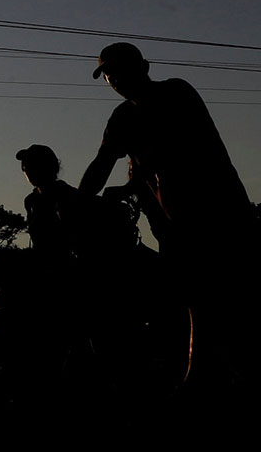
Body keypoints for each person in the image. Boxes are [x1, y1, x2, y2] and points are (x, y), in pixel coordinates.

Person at [78, 42, 255, 381]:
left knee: (226, 296)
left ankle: (205, 373)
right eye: (109, 74)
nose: (115, 79)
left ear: (143, 68)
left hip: (219, 215)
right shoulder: (122, 117)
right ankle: (203, 372)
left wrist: (128, 182)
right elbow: (103, 163)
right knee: (195, 299)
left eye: (120, 70)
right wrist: (83, 200)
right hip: (173, 225)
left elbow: (179, 154)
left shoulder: (176, 93)